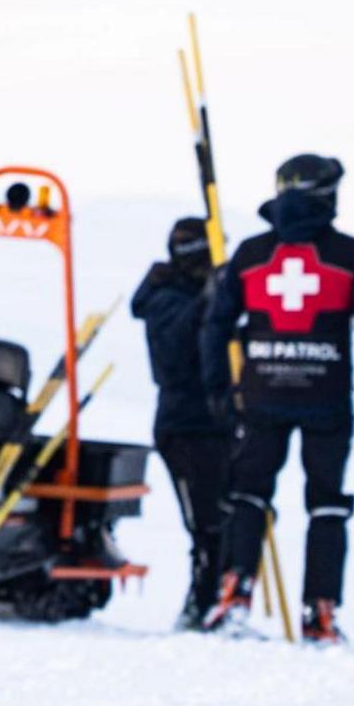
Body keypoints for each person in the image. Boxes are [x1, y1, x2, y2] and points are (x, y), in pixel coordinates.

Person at [198, 154, 354, 644]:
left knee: (247, 495)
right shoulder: (351, 256)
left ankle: (234, 593)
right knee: (327, 504)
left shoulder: (249, 255)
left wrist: (217, 388)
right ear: (324, 195)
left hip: (260, 396)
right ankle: (321, 613)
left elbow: (214, 324)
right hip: (328, 402)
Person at [131, 217, 229, 630]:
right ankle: (201, 603)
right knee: (206, 523)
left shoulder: (218, 300)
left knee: (230, 518)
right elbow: (174, 358)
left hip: (224, 423)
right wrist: (208, 302)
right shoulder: (165, 298)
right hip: (186, 426)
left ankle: (224, 598)